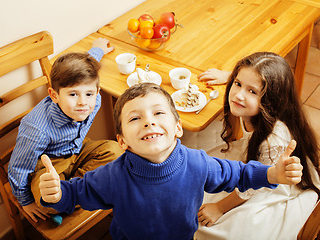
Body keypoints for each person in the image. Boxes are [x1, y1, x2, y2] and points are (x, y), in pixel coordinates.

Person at [39, 83, 303, 240]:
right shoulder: (112, 176)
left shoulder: (198, 163)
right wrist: (56, 194)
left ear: (178, 128)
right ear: (122, 141)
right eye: (134, 118)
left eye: (158, 113)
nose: (148, 121)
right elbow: (75, 193)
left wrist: (271, 175)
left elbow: (238, 174)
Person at [189, 52, 320, 240]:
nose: (238, 95)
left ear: (271, 99)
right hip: (258, 161)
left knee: (211, 226)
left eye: (252, 91)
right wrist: (231, 77)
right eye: (238, 83)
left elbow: (254, 186)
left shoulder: (272, 140)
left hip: (270, 181)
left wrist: (219, 207)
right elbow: (248, 82)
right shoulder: (259, 108)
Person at [8, 38, 124, 224]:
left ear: (96, 90)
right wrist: (25, 202)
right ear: (54, 95)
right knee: (48, 202)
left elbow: (87, 67)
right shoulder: (37, 129)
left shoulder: (94, 101)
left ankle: (70, 191)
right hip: (48, 163)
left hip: (78, 150)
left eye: (89, 94)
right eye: (72, 94)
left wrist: (97, 50)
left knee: (117, 152)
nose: (83, 103)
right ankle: (67, 195)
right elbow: (18, 168)